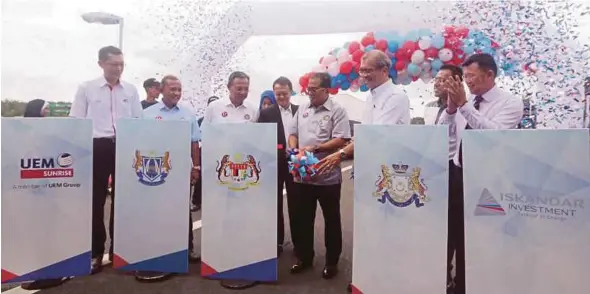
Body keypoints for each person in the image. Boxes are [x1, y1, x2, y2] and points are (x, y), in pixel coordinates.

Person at [315, 50, 410, 291]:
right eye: (362, 70)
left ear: (383, 70)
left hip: (389, 174)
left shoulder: (396, 97)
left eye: (368, 70)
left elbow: (378, 136)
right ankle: (370, 277)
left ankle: (385, 281)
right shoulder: (371, 96)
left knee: (386, 229)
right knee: (369, 228)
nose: (363, 75)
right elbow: (364, 135)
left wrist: (341, 154)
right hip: (369, 170)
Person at [438, 53, 523, 294]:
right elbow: (445, 135)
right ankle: (446, 280)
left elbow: (494, 135)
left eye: (472, 76)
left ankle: (467, 285)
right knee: (449, 233)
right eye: (465, 77)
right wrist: (452, 109)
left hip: (488, 180)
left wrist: (464, 106)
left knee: (475, 238)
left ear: (489, 75)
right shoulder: (464, 102)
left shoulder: (510, 102)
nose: (468, 82)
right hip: (457, 173)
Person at [69, 46, 143, 274]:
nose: (118, 68)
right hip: (96, 146)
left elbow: (138, 121)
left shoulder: (130, 90)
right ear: (101, 64)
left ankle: (120, 250)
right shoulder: (86, 88)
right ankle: (95, 252)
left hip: (124, 146)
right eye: (113, 64)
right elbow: (76, 121)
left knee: (124, 202)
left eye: (121, 64)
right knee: (95, 202)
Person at [135, 75, 202, 282]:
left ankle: (187, 248)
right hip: (156, 172)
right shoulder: (146, 114)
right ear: (161, 90)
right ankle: (159, 248)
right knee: (158, 210)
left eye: (179, 89)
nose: (176, 93)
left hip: (182, 171)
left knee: (181, 210)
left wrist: (196, 167)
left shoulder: (188, 114)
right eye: (172, 89)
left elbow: (194, 143)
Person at [287, 72, 351, 279]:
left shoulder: (338, 110)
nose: (309, 93)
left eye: (314, 89)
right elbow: (293, 134)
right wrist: (294, 150)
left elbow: (342, 139)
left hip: (327, 176)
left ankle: (331, 262)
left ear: (326, 90)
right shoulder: (302, 109)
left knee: (331, 219)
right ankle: (305, 258)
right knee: (303, 218)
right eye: (308, 89)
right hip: (304, 175)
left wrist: (316, 148)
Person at [20, 99, 69, 290]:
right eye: (45, 109)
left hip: (47, 192)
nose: (48, 112)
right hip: (30, 191)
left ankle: (53, 273)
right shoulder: (26, 133)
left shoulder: (48, 133)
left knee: (48, 231)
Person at [256, 77, 299, 256]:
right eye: (278, 93)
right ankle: (277, 242)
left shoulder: (300, 110)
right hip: (273, 164)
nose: (282, 97)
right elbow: (260, 139)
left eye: (285, 93)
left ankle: (300, 242)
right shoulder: (266, 114)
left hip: (296, 164)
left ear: (291, 92)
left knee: (297, 204)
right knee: (274, 205)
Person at [193, 95, 219, 212]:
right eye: (211, 103)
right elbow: (197, 137)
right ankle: (196, 202)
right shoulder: (201, 120)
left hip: (219, 151)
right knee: (201, 178)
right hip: (204, 151)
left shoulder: (222, 120)